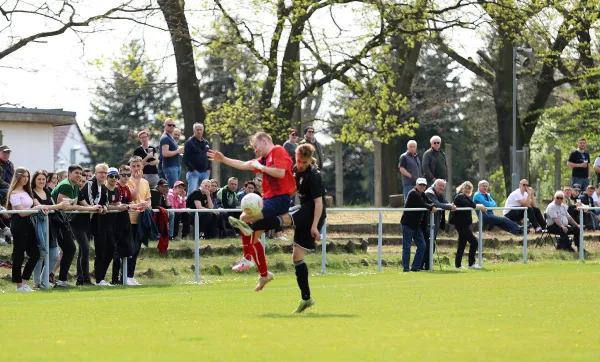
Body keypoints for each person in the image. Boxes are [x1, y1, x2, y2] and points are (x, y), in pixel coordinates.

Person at [208, 131, 296, 291]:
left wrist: (262, 167)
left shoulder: (278, 150)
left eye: (256, 146)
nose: (255, 150)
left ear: (264, 141)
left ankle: (247, 258)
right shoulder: (263, 159)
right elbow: (244, 164)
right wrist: (223, 159)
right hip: (269, 199)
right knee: (252, 234)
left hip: (280, 199)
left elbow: (280, 172)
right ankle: (264, 274)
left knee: (245, 219)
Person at [51, 164, 102, 288]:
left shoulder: (75, 187)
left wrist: (95, 208)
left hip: (62, 221)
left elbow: (84, 204)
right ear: (69, 173)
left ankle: (59, 278)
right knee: (58, 251)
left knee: (70, 249)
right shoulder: (66, 185)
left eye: (80, 173)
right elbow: (63, 205)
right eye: (76, 173)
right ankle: (49, 278)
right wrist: (86, 207)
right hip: (54, 220)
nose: (79, 175)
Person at [6, 167, 51, 291]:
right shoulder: (14, 193)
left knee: (35, 254)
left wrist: (41, 207)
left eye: (27, 176)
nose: (26, 179)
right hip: (19, 224)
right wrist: (37, 208)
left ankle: (24, 282)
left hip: (29, 223)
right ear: (18, 177)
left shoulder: (27, 192)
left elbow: (33, 207)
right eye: (24, 176)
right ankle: (18, 285)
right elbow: (21, 213)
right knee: (19, 254)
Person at [31, 170, 68, 289]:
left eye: (43, 179)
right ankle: (37, 283)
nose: (42, 181)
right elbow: (39, 206)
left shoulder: (47, 191)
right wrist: (58, 206)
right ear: (34, 180)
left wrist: (55, 207)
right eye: (39, 179)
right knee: (41, 255)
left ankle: (43, 280)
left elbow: (50, 206)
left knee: (55, 256)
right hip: (38, 227)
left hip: (51, 227)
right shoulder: (31, 192)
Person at [73, 163, 110, 286]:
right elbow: (89, 201)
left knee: (84, 251)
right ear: (96, 173)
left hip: (89, 222)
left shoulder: (103, 188)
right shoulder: (89, 184)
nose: (103, 175)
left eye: (105, 173)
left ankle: (81, 279)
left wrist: (103, 208)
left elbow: (106, 202)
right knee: (85, 249)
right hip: (79, 221)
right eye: (100, 172)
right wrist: (97, 207)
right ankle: (85, 278)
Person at [97, 167, 128, 286]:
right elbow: (104, 205)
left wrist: (123, 206)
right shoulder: (103, 189)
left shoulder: (116, 189)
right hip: (101, 223)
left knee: (111, 251)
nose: (114, 179)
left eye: (116, 176)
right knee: (101, 252)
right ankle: (99, 279)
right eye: (111, 176)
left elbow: (117, 203)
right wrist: (118, 207)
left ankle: (102, 277)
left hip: (112, 224)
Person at [400, 178, 437, 272]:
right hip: (408, 224)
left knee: (422, 246)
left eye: (424, 185)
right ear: (416, 185)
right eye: (420, 185)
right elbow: (422, 204)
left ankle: (415, 267)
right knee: (407, 247)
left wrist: (432, 205)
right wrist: (431, 207)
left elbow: (429, 202)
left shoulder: (423, 194)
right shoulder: (412, 193)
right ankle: (406, 268)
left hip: (416, 226)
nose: (422, 187)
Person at [449, 181, 487, 269]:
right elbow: (469, 205)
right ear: (462, 189)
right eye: (466, 190)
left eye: (469, 190)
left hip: (464, 224)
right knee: (474, 242)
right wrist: (479, 206)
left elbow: (469, 204)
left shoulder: (465, 197)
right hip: (461, 224)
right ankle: (471, 263)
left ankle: (458, 265)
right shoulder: (460, 196)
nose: (467, 192)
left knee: (462, 244)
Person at [126, 156, 152, 286]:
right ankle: (125, 275)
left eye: (138, 166)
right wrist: (136, 181)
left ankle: (130, 275)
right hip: (130, 219)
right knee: (129, 248)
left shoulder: (145, 182)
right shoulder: (127, 181)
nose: (136, 169)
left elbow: (148, 198)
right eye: (133, 166)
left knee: (136, 249)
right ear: (130, 167)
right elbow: (134, 196)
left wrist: (148, 205)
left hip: (140, 219)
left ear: (142, 166)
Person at [421, 179, 455, 270]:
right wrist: (450, 207)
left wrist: (450, 204)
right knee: (426, 247)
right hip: (427, 224)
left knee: (430, 247)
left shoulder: (439, 194)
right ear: (434, 185)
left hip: (434, 224)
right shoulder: (429, 193)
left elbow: (444, 202)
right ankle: (421, 266)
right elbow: (437, 204)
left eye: (443, 186)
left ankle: (427, 267)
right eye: (439, 186)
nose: (441, 188)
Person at [183, 122, 212, 194]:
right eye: (197, 129)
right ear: (194, 131)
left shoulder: (206, 143)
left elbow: (209, 156)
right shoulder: (189, 143)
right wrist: (193, 170)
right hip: (194, 173)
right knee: (192, 193)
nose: (199, 131)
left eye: (200, 129)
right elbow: (185, 159)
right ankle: (190, 205)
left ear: (203, 130)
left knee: (204, 193)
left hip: (205, 173)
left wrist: (209, 169)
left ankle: (202, 205)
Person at [160, 118, 184, 188]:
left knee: (176, 188)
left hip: (176, 166)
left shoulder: (171, 138)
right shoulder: (165, 138)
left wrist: (180, 150)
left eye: (173, 125)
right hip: (170, 167)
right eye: (169, 125)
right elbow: (165, 153)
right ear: (165, 126)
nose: (171, 127)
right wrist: (177, 151)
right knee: (173, 189)